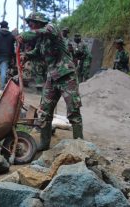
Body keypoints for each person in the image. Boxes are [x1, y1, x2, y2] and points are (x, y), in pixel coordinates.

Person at [17, 12, 83, 151]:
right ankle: (44, 143)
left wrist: (25, 35)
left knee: (73, 111)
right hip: (52, 77)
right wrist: (26, 56)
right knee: (44, 112)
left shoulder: (52, 28)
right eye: (28, 23)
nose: (29, 25)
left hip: (66, 75)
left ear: (39, 22)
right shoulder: (41, 40)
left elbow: (38, 33)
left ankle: (80, 146)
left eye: (31, 22)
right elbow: (37, 53)